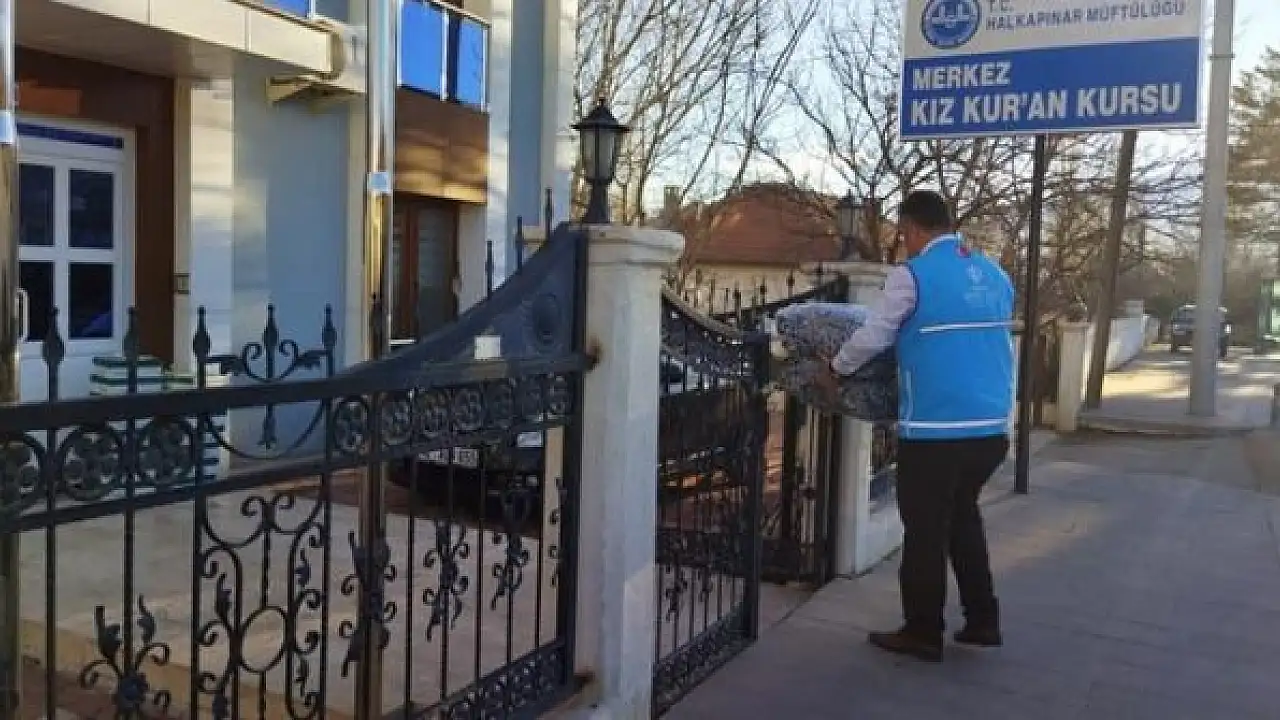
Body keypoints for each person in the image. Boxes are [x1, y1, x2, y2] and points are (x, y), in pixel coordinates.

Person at [818, 189, 1014, 663]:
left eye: (903, 232)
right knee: (963, 517)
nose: (902, 241)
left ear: (911, 227)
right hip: (991, 429)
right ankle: (983, 619)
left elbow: (875, 334)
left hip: (935, 428)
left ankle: (923, 631)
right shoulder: (994, 274)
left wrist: (836, 369)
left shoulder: (913, 276)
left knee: (925, 531)